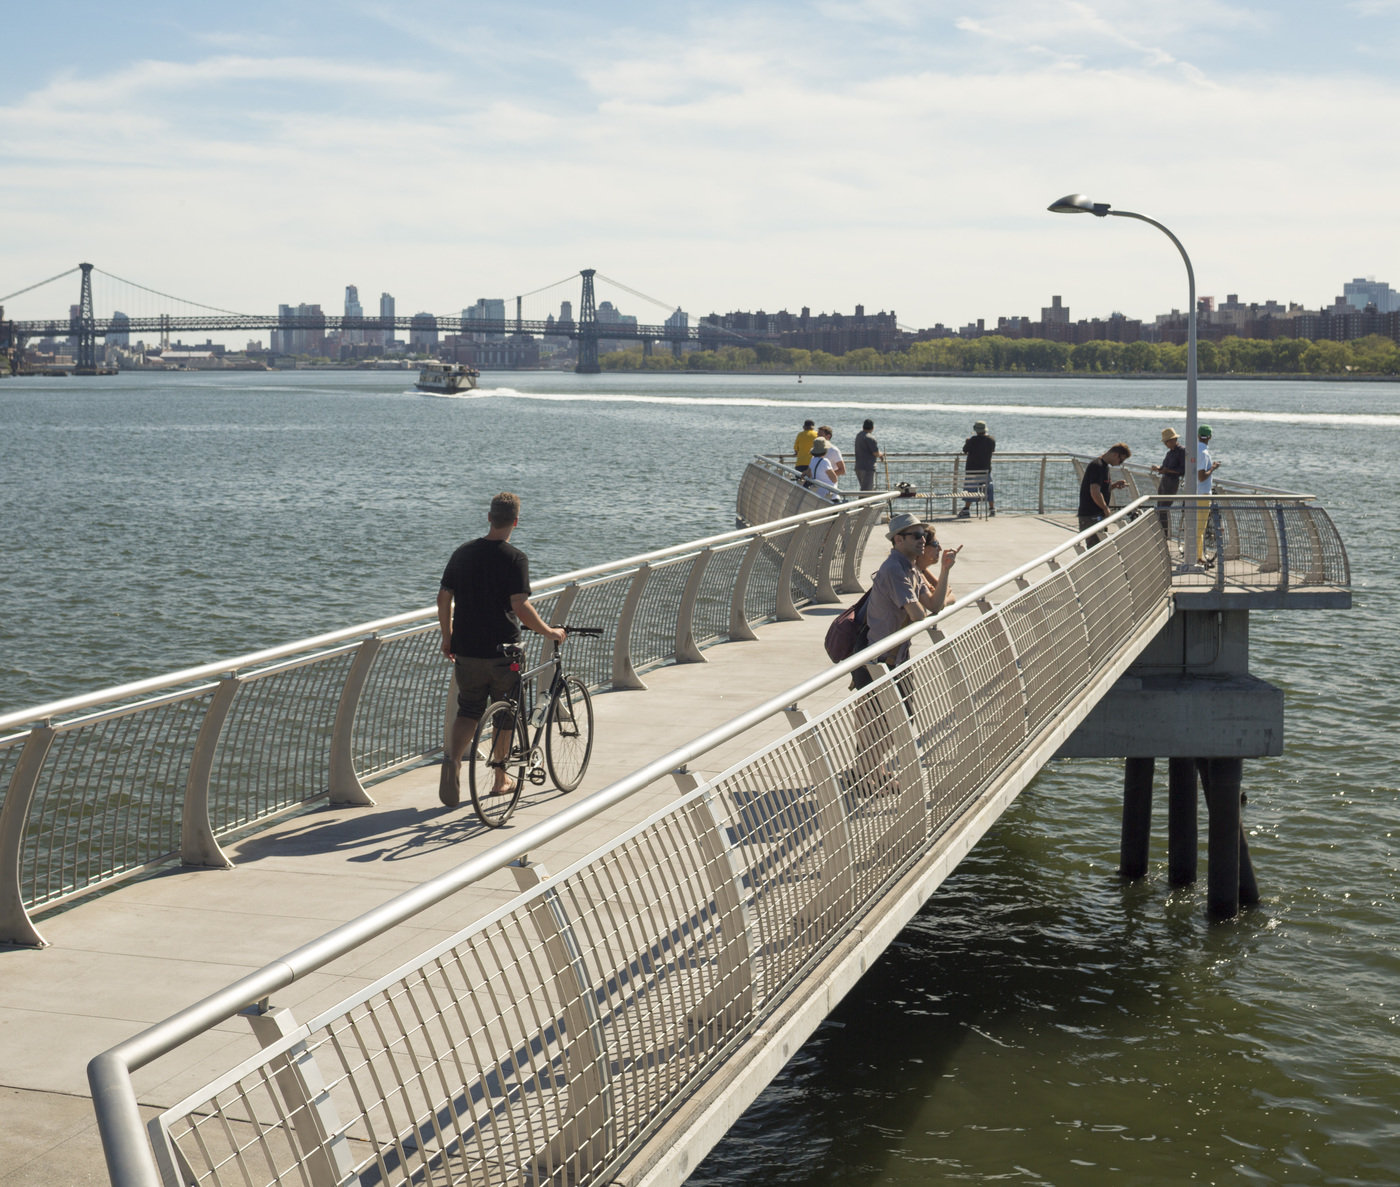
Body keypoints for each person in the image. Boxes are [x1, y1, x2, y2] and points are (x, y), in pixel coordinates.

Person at [436, 492, 567, 807]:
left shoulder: (463, 553)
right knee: (507, 715)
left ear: (489, 517)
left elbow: (443, 597)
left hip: (466, 648)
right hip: (503, 652)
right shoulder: (515, 558)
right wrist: (549, 631)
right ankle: (499, 780)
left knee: (468, 709)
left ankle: (452, 760)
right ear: (516, 522)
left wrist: (447, 635)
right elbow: (519, 604)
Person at [1077, 443, 1132, 547]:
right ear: (1116, 454)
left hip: (1097, 515)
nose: (1120, 463)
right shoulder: (1097, 466)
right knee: (1095, 550)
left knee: (1100, 548)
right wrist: (1105, 509)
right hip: (1091, 515)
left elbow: (1100, 489)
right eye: (1121, 460)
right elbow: (1095, 492)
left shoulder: (1104, 466)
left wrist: (1114, 485)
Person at [1150, 427, 1186, 538]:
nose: (1166, 444)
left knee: (1164, 508)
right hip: (1165, 480)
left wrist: (1167, 471)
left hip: (1172, 482)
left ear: (1173, 440)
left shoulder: (1182, 451)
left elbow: (1182, 470)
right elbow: (1164, 467)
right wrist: (1159, 468)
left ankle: (1165, 535)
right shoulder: (1169, 453)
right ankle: (1162, 533)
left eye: (1167, 442)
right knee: (1159, 507)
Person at [1194, 424, 1222, 565]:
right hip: (1203, 493)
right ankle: (1198, 557)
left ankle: (1195, 554)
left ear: (1198, 436)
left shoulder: (1194, 449)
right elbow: (1202, 476)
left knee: (1195, 525)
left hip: (1194, 493)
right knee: (1201, 526)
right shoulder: (1204, 453)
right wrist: (1213, 467)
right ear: (1210, 437)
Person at [959, 420, 996, 517]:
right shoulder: (991, 440)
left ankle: (966, 509)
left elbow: (964, 450)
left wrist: (967, 442)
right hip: (985, 471)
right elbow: (992, 450)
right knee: (989, 489)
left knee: (970, 489)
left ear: (976, 430)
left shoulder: (972, 440)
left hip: (972, 471)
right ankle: (992, 509)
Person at [806, 436, 840, 502]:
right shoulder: (825, 461)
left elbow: (809, 473)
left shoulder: (812, 460)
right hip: (830, 494)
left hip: (818, 493)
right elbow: (834, 478)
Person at [854, 419, 883, 491]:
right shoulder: (870, 438)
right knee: (867, 492)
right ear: (872, 428)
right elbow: (876, 453)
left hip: (859, 467)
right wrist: (881, 454)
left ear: (863, 426)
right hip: (867, 468)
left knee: (864, 489)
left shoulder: (859, 435)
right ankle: (862, 502)